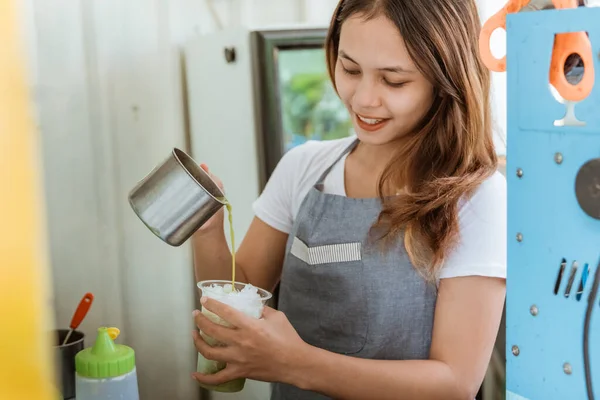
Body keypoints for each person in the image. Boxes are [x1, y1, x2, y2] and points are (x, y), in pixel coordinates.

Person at [191, 0, 507, 399]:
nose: (362, 99)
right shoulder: (304, 168)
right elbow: (241, 295)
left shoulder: (475, 198)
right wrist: (207, 231)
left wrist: (296, 363)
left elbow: (454, 383)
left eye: (393, 81)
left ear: (445, 81)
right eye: (350, 69)